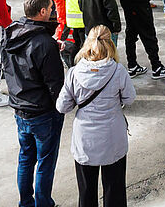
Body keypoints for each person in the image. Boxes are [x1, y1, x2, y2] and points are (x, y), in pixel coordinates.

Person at [56, 26, 135, 207]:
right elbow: (130, 99)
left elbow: (62, 106)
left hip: (85, 141)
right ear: (111, 44)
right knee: (115, 191)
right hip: (113, 138)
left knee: (86, 193)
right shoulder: (118, 71)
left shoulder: (74, 73)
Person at [4, 0, 66, 207]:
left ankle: (26, 203)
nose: (52, 11)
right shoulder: (43, 43)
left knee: (26, 158)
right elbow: (55, 84)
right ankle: (43, 203)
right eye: (50, 8)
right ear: (42, 11)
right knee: (45, 162)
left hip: (20, 110)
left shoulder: (12, 33)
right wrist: (61, 108)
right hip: (43, 113)